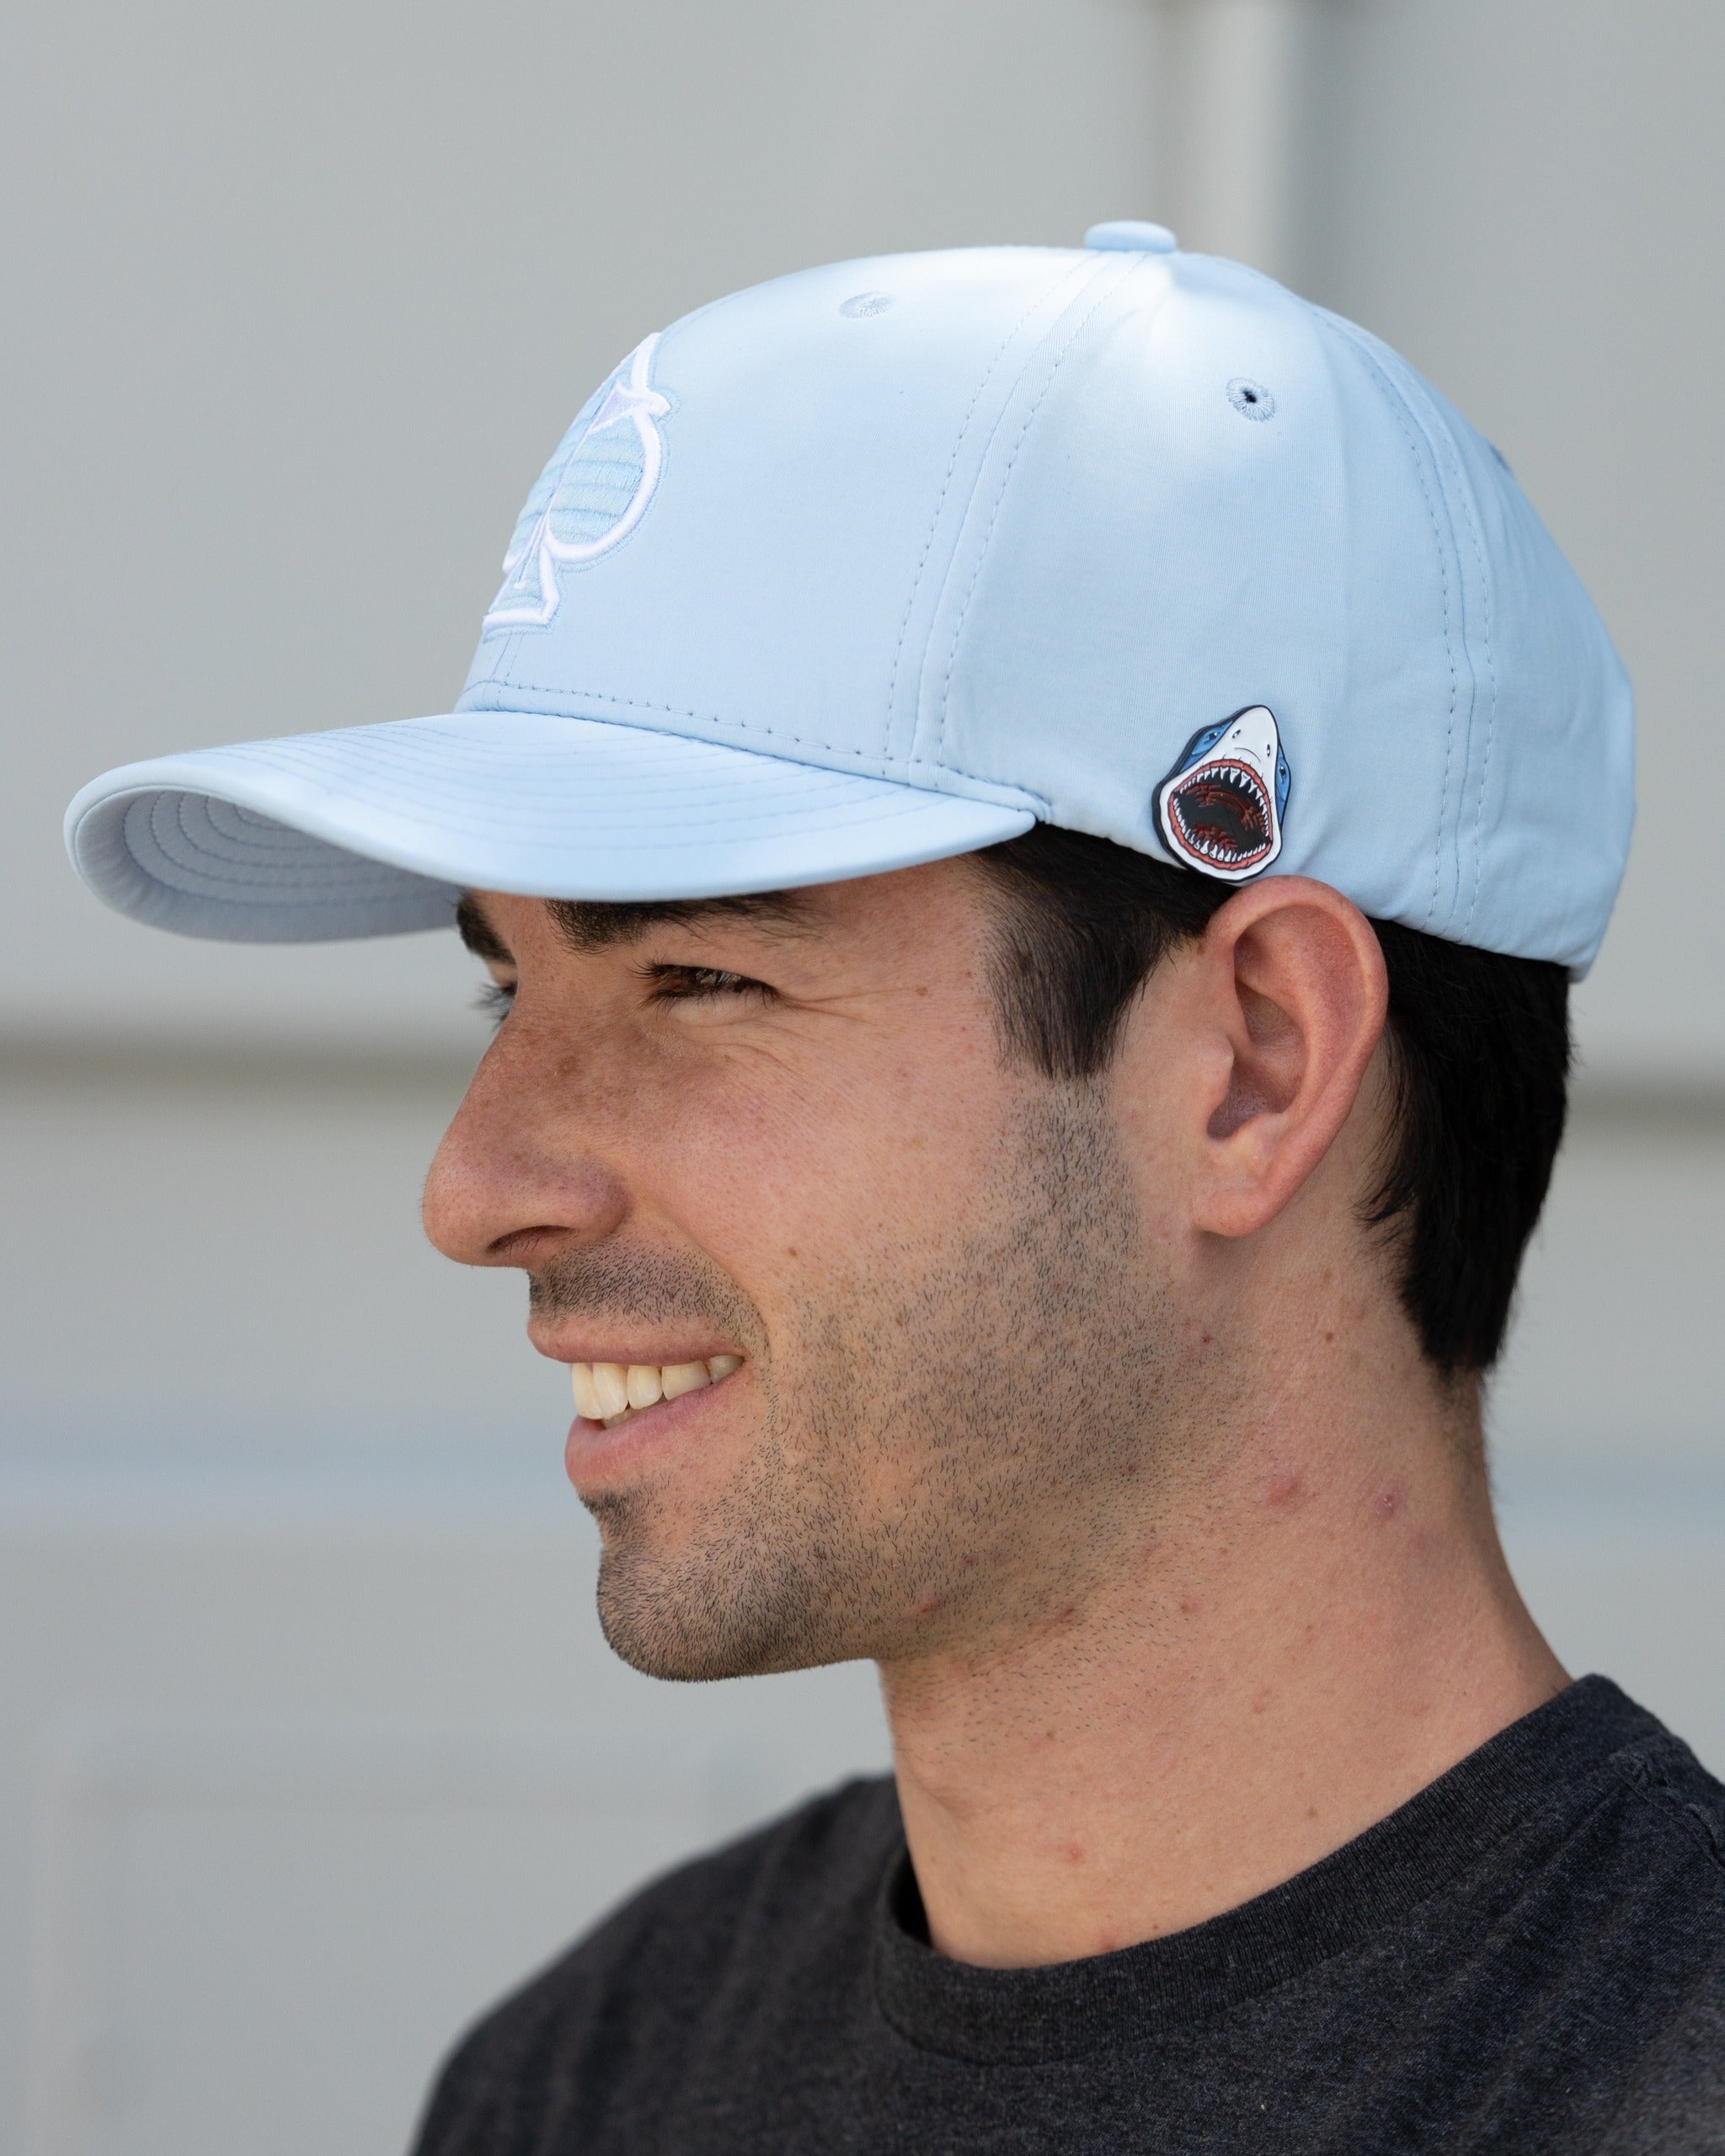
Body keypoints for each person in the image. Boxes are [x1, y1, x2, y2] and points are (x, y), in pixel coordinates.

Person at [67, 223, 1724, 2152]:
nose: (475, 1183)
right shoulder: (596, 2070)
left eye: (699, 978)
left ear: (1257, 1062)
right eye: (507, 980)